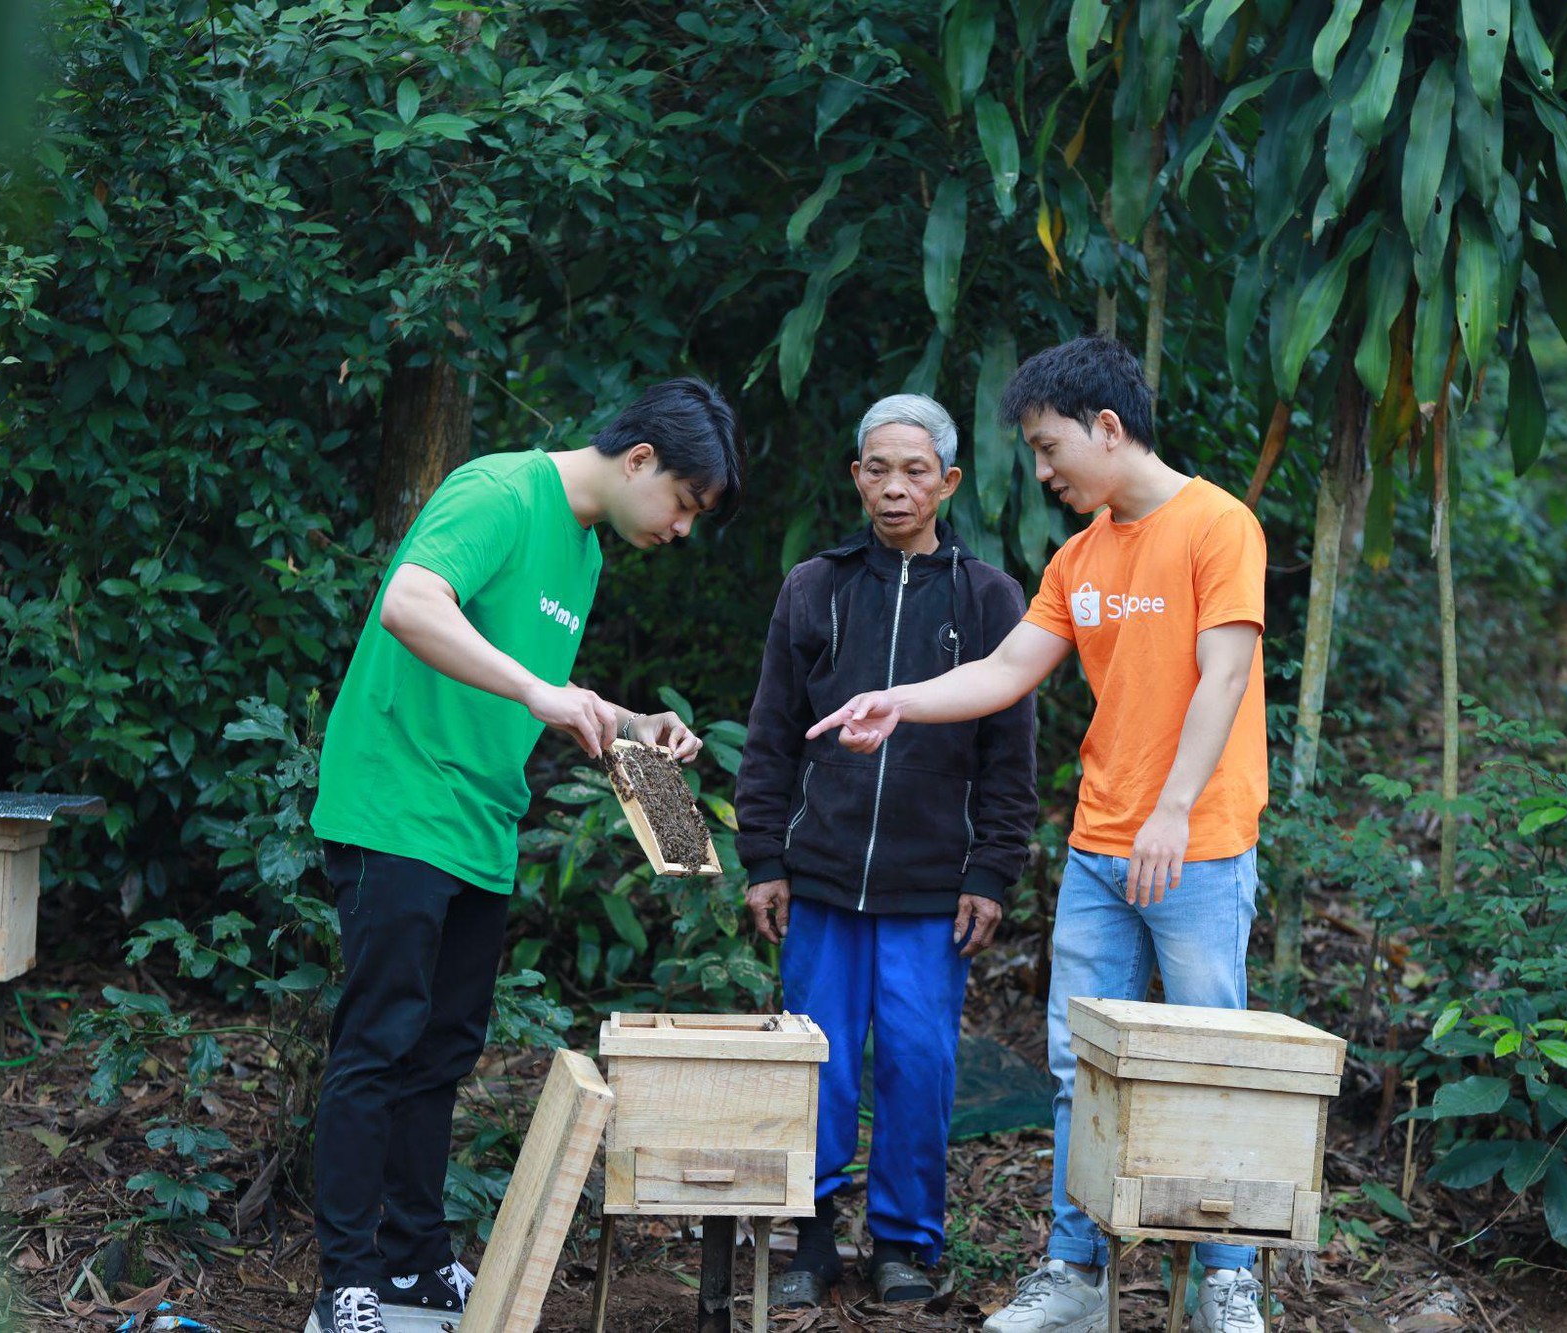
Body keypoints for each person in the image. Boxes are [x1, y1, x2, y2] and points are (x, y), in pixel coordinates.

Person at [807, 336, 1270, 1333]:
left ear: (1106, 428)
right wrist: (900, 698)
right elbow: (1006, 670)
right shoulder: (1080, 553)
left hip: (1198, 841)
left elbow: (1224, 676)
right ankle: (1075, 1269)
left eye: (1050, 447)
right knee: (1077, 1062)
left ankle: (1226, 1276)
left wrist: (1173, 809)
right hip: (1100, 850)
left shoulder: (1215, 526)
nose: (1045, 471)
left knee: (1207, 1060)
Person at [303, 378, 742, 1333]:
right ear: (639, 461)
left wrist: (630, 720)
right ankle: (349, 1280)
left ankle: (414, 1264)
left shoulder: (582, 549)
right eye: (684, 504)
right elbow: (412, 604)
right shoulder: (498, 492)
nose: (681, 530)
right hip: (398, 804)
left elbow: (531, 678)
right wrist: (543, 697)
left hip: (478, 821)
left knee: (444, 1050)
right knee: (378, 1044)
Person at [736, 394, 1037, 1306]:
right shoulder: (814, 586)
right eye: (877, 468)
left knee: (917, 1063)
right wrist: (763, 857)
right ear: (856, 476)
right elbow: (771, 734)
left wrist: (991, 869)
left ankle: (905, 1241)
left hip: (927, 888)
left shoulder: (988, 597)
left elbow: (1010, 754)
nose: (894, 488)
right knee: (816, 1060)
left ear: (948, 482)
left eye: (915, 471)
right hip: (821, 877)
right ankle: (811, 1236)